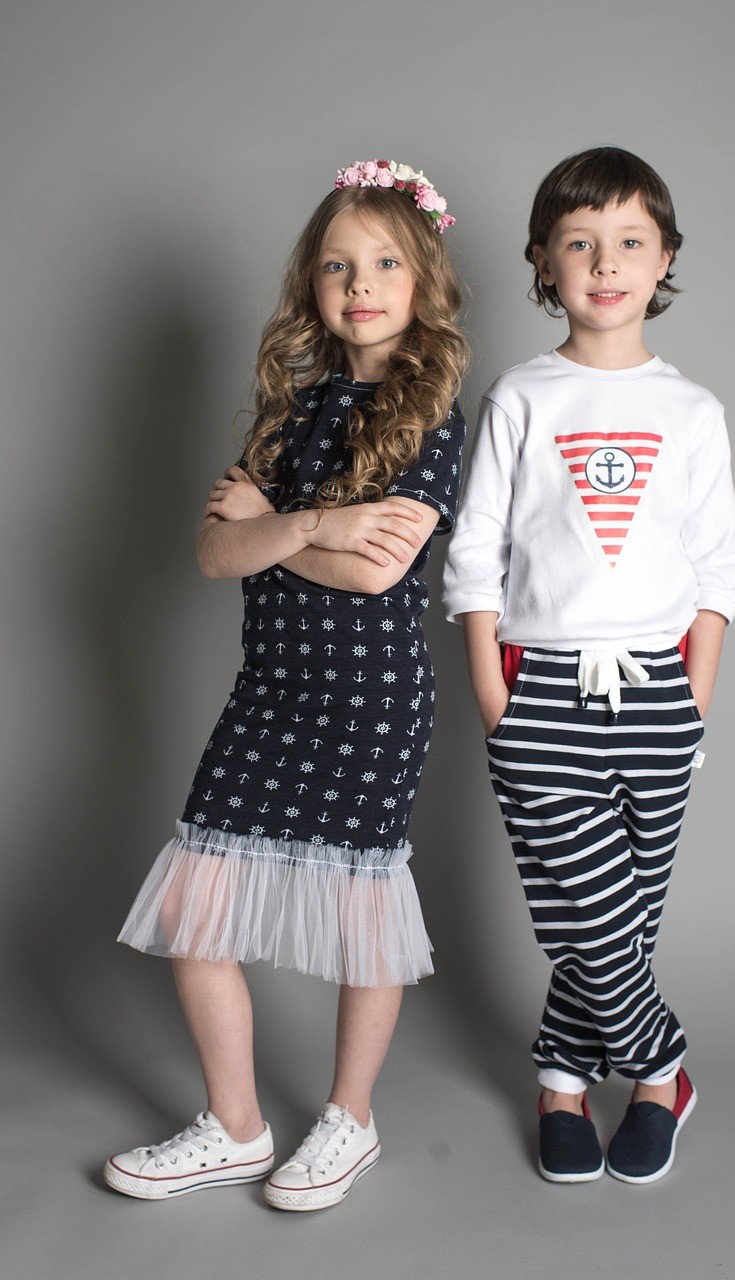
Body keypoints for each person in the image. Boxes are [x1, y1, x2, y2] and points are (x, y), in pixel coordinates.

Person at [105, 159, 468, 1211]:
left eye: (384, 263)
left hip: (370, 701)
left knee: (363, 916)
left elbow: (378, 571)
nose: (361, 284)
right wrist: (314, 522)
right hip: (268, 694)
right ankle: (234, 1124)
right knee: (197, 911)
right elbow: (214, 553)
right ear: (312, 283)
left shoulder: (434, 412)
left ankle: (350, 1117)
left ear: (421, 276)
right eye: (337, 265)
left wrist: (272, 530)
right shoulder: (287, 412)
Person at [442, 147, 735, 1185]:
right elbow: (474, 555)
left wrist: (692, 701)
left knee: (622, 916)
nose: (605, 263)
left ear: (665, 258)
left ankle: (563, 1080)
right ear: (542, 259)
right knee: (587, 905)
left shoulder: (692, 411)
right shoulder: (521, 397)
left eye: (628, 241)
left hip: (657, 691)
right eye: (579, 242)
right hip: (540, 689)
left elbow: (718, 570)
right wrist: (495, 694)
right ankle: (661, 1068)